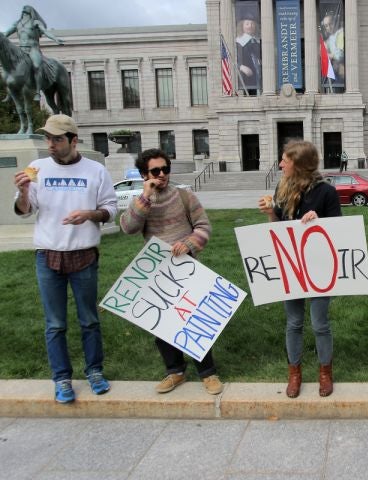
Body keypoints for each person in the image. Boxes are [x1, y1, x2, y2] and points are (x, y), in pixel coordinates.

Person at [13, 114, 116, 403]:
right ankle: (62, 379)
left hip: (84, 254)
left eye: (57, 139)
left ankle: (95, 371)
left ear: (72, 140)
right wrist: (22, 191)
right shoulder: (37, 168)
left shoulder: (95, 170)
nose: (51, 144)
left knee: (89, 320)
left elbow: (110, 208)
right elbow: (25, 209)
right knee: (55, 323)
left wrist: (89, 214)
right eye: (48, 138)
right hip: (47, 256)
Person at [119, 148, 223, 396]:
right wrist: (145, 197)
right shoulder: (140, 201)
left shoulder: (185, 196)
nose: (162, 174)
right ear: (145, 174)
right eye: (156, 171)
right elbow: (128, 228)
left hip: (186, 267)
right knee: (162, 324)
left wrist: (188, 244)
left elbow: (204, 226)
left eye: (165, 169)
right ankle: (175, 371)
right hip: (157, 271)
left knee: (194, 320)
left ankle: (208, 373)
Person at [258, 140, 342, 398]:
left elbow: (338, 232)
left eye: (285, 160)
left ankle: (325, 372)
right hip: (292, 267)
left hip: (319, 267)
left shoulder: (326, 192)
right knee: (293, 322)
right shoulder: (282, 189)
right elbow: (279, 230)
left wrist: (318, 221)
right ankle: (294, 373)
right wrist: (271, 213)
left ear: (300, 164)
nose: (281, 164)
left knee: (319, 324)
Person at [5, 5, 65, 101]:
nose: (24, 9)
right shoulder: (17, 24)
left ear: (31, 12)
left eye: (27, 8)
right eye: (23, 9)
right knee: (9, 66)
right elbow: (5, 34)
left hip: (33, 49)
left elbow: (45, 32)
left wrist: (55, 39)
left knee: (37, 65)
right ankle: (10, 90)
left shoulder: (35, 22)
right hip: (21, 50)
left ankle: (37, 92)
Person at [235, 12, 261, 92]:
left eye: (252, 24)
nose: (250, 26)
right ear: (242, 26)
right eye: (247, 24)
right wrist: (241, 67)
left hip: (259, 76)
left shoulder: (257, 42)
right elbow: (233, 59)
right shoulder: (238, 42)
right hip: (247, 79)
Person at [320, 13, 345, 82]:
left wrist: (328, 54)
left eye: (330, 24)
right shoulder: (331, 37)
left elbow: (339, 55)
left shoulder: (341, 34)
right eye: (326, 26)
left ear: (335, 22)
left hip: (341, 71)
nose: (328, 27)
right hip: (335, 71)